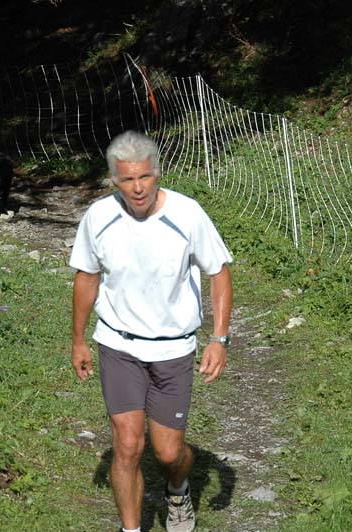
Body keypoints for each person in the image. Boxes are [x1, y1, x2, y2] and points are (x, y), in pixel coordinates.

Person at [70, 130, 233, 532]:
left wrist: (219, 339)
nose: (138, 187)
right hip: (119, 345)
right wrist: (78, 339)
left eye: (144, 176)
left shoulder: (187, 214)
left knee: (168, 453)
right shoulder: (99, 217)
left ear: (157, 173)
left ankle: (178, 489)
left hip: (173, 350)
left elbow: (219, 272)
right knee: (127, 445)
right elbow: (87, 277)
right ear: (114, 180)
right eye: (127, 179)